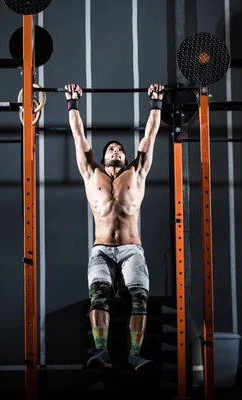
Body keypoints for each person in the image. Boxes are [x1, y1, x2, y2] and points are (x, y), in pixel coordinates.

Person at [64, 82, 164, 371]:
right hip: (102, 250)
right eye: (111, 149)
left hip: (132, 249)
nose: (117, 151)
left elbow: (150, 135)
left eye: (120, 149)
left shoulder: (137, 171)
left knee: (140, 299)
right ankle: (101, 352)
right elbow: (78, 135)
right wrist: (73, 102)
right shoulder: (90, 172)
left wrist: (155, 103)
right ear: (104, 156)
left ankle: (134, 354)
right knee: (99, 296)